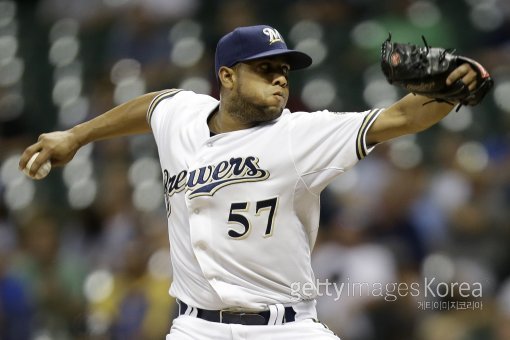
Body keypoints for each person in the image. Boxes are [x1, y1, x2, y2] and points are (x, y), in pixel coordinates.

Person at [19, 25, 481, 339]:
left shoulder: (300, 135)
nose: (279, 79)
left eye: (283, 70)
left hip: (285, 327)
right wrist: (76, 135)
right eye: (265, 68)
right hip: (196, 327)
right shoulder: (183, 114)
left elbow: (401, 117)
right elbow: (152, 104)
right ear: (227, 77)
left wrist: (451, 88)